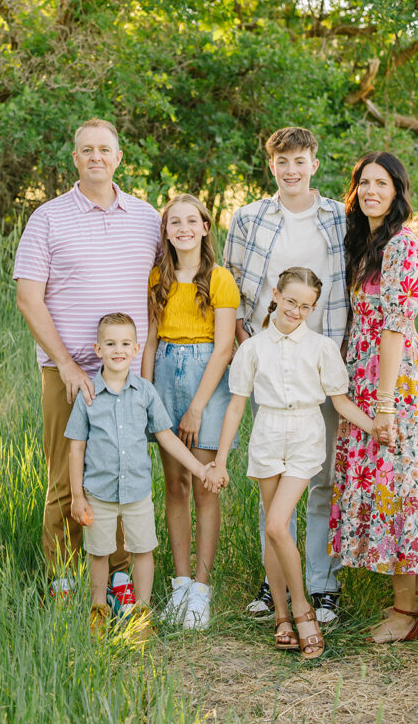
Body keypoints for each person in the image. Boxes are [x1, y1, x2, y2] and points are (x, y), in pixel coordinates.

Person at [14, 118, 161, 601]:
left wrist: (147, 369)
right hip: (68, 371)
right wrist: (70, 366)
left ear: (118, 158)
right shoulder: (49, 218)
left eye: (105, 149)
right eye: (86, 150)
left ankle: (119, 575)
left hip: (129, 376)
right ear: (74, 159)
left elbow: (158, 296)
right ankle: (62, 576)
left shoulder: (146, 218)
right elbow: (29, 299)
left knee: (121, 471)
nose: (96, 156)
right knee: (66, 474)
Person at [206, 267, 375, 659]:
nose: (296, 311)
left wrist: (374, 427)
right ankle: (281, 615)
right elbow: (235, 406)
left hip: (304, 434)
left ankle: (303, 611)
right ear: (276, 295)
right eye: (291, 301)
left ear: (313, 308)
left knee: (279, 523)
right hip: (267, 434)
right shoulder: (252, 348)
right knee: (273, 527)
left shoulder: (321, 348)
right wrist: (220, 462)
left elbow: (341, 401)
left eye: (306, 306)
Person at [328, 152, 418, 643]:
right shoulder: (366, 242)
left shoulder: (403, 246)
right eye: (364, 183)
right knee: (405, 480)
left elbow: (393, 328)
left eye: (381, 184)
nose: (371, 191)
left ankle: (405, 614)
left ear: (398, 191)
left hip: (395, 379)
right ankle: (416, 604)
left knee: (401, 483)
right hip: (369, 374)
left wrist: (383, 404)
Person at [223, 126, 348, 624]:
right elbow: (231, 285)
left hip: (324, 357)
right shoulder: (251, 218)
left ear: (315, 163)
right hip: (271, 362)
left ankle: (322, 583)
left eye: (300, 160)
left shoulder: (339, 217)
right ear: (271, 166)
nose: (291, 170)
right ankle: (274, 580)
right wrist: (246, 342)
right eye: (282, 162)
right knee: (274, 478)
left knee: (322, 477)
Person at [66, 313, 212, 638]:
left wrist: (199, 467)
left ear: (136, 349)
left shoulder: (144, 392)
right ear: (98, 349)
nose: (118, 350)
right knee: (99, 552)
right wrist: (77, 495)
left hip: (137, 492)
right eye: (111, 343)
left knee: (143, 548)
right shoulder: (88, 394)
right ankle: (98, 609)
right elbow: (76, 448)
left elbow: (167, 437)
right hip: (99, 493)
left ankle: (141, 612)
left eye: (125, 344)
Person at [141, 195, 239, 629]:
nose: (182, 228)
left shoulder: (219, 279)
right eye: (173, 221)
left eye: (191, 221)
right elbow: (148, 341)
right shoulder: (157, 278)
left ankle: (201, 590)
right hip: (164, 371)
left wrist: (197, 406)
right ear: (166, 230)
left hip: (206, 378)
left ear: (204, 227)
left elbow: (224, 348)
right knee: (175, 484)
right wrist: (145, 394)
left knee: (205, 485)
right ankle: (180, 585)